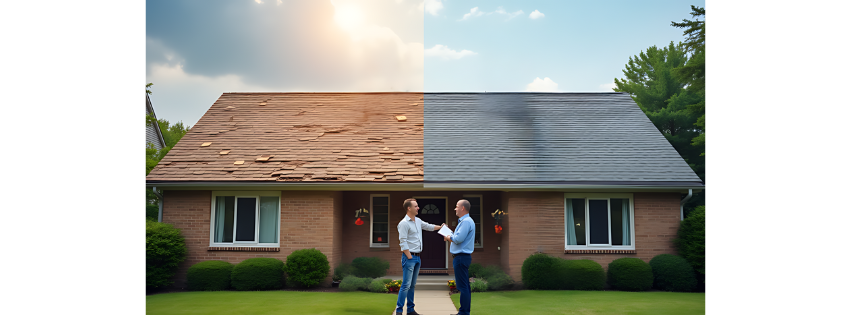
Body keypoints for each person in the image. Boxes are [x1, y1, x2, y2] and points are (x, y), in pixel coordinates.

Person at [396, 198, 445, 315]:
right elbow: (402, 242)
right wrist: (409, 257)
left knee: (412, 285)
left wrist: (441, 227)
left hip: (418, 257)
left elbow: (428, 226)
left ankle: (411, 310)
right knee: (406, 285)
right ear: (409, 208)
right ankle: (399, 311)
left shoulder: (417, 221)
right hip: (409, 257)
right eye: (416, 206)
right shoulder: (403, 224)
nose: (418, 208)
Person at [444, 199, 475, 315]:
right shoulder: (465, 221)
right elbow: (458, 237)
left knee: (463, 287)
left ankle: (463, 313)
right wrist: (449, 235)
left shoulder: (466, 221)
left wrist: (448, 237)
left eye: (457, 206)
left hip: (461, 257)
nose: (455, 208)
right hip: (462, 257)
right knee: (464, 286)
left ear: (463, 208)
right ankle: (464, 312)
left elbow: (457, 239)